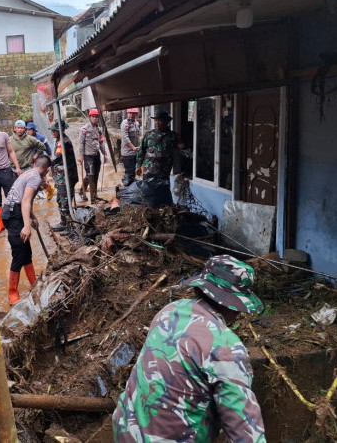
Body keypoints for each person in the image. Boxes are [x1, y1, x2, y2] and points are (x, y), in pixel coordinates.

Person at [113, 255, 267, 443]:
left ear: (199, 287)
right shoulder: (226, 348)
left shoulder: (169, 311)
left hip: (127, 429)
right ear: (235, 306)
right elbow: (244, 429)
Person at [0, 155, 51, 305]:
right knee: (18, 255)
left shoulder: (29, 173)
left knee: (26, 252)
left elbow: (23, 199)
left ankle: (34, 284)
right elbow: (25, 201)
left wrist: (31, 217)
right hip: (13, 214)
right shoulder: (35, 177)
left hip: (14, 211)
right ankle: (12, 293)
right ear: (47, 170)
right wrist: (27, 226)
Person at [49, 120, 78, 233]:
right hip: (61, 177)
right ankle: (63, 223)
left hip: (67, 177)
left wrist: (44, 163)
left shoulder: (64, 142)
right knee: (60, 200)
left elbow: (56, 158)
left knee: (65, 202)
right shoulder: (59, 141)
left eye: (54, 130)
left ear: (60, 130)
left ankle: (69, 227)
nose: (52, 132)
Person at [77, 108, 109, 203]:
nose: (95, 118)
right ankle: (87, 194)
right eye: (93, 117)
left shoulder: (98, 130)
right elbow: (81, 143)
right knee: (90, 175)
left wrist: (105, 154)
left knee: (96, 175)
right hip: (88, 156)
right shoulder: (84, 129)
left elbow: (101, 142)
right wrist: (80, 155)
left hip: (96, 155)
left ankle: (92, 193)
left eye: (96, 117)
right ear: (89, 117)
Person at [120, 108, 141, 186]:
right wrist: (133, 147)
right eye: (130, 113)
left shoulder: (136, 123)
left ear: (136, 114)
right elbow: (125, 137)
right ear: (127, 113)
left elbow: (138, 137)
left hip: (135, 152)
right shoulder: (125, 123)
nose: (131, 115)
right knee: (130, 173)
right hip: (128, 153)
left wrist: (139, 148)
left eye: (133, 113)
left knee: (133, 173)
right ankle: (128, 190)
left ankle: (128, 188)